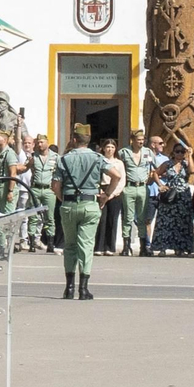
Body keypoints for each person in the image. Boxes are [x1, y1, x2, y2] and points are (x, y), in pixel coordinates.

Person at [53, 124, 125, 300]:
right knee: (86, 245)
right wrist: (106, 195)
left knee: (70, 245)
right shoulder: (97, 158)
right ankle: (83, 289)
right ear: (88, 140)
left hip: (69, 204)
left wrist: (63, 198)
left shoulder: (63, 159)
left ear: (74, 139)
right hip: (90, 203)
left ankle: (69, 288)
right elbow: (116, 175)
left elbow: (55, 185)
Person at [151, 145, 194, 256]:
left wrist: (190, 155)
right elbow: (155, 173)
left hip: (183, 196)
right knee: (165, 222)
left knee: (182, 222)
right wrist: (160, 185)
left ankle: (180, 248)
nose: (180, 154)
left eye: (182, 152)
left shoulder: (186, 164)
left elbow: (192, 171)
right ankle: (162, 248)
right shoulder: (167, 164)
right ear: (173, 152)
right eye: (177, 151)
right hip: (170, 195)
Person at [117, 131, 155, 256]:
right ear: (132, 140)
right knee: (127, 218)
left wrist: (152, 178)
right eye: (138, 139)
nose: (141, 142)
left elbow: (155, 168)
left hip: (143, 187)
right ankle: (126, 246)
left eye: (142, 139)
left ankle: (143, 246)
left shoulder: (148, 152)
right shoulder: (124, 152)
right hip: (129, 187)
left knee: (142, 218)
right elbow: (118, 167)